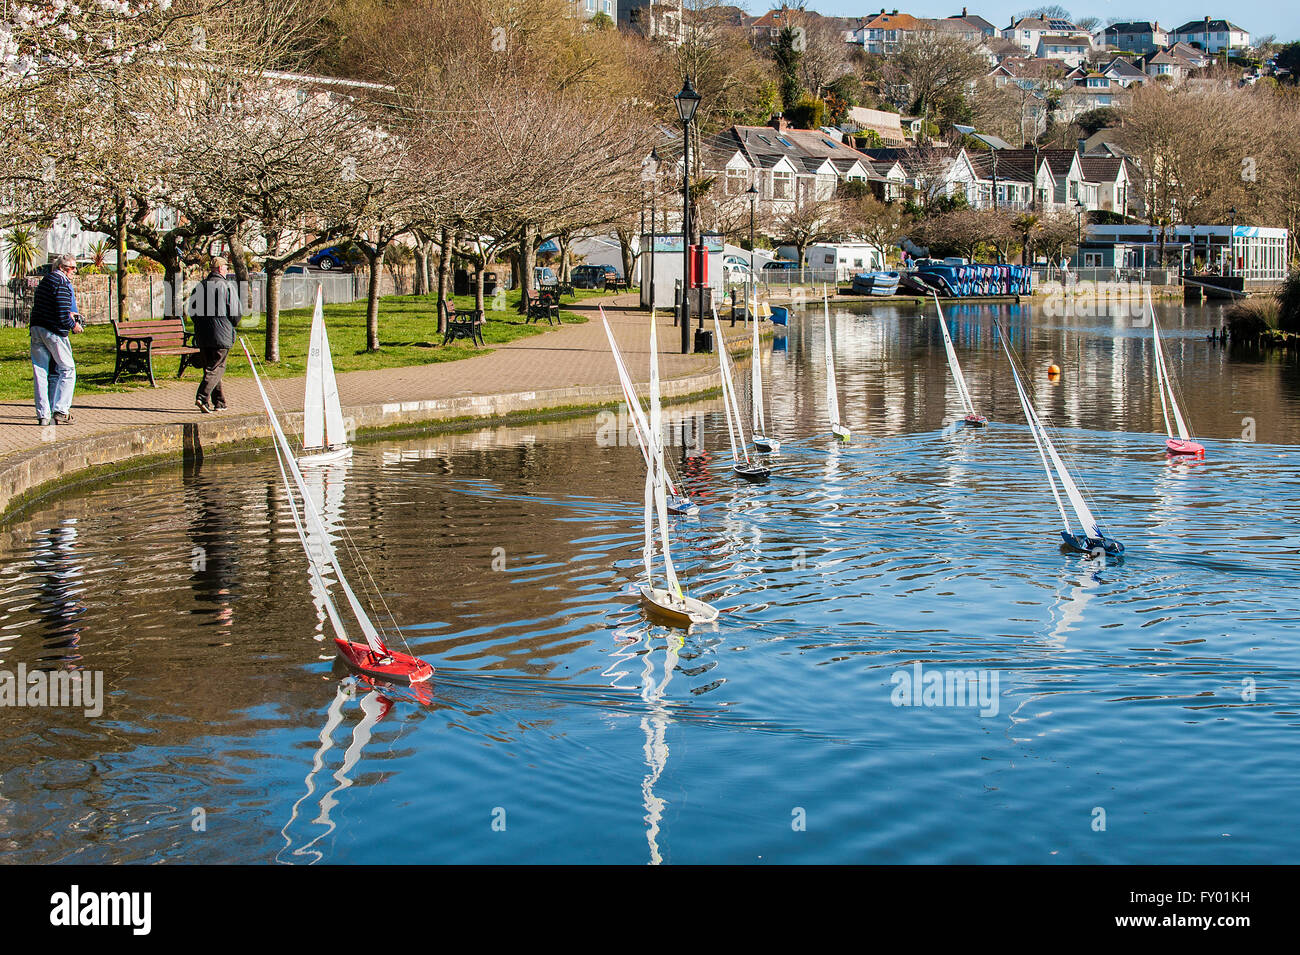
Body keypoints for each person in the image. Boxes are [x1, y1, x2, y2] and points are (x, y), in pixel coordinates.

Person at [29, 254, 83, 426]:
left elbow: (50, 305)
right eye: (71, 267)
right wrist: (73, 324)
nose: (74, 271)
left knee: (40, 372)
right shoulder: (61, 282)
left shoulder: (46, 281)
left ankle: (43, 415)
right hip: (53, 332)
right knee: (68, 369)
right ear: (61, 267)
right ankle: (61, 410)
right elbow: (61, 312)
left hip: (37, 328)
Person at [186, 256, 243, 412]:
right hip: (221, 334)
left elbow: (192, 311)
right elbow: (235, 313)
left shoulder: (200, 286)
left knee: (211, 368)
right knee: (217, 368)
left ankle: (219, 402)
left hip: (203, 335)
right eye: (226, 268)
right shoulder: (227, 286)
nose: (227, 270)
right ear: (220, 269)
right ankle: (202, 397)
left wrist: (200, 324)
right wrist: (233, 324)